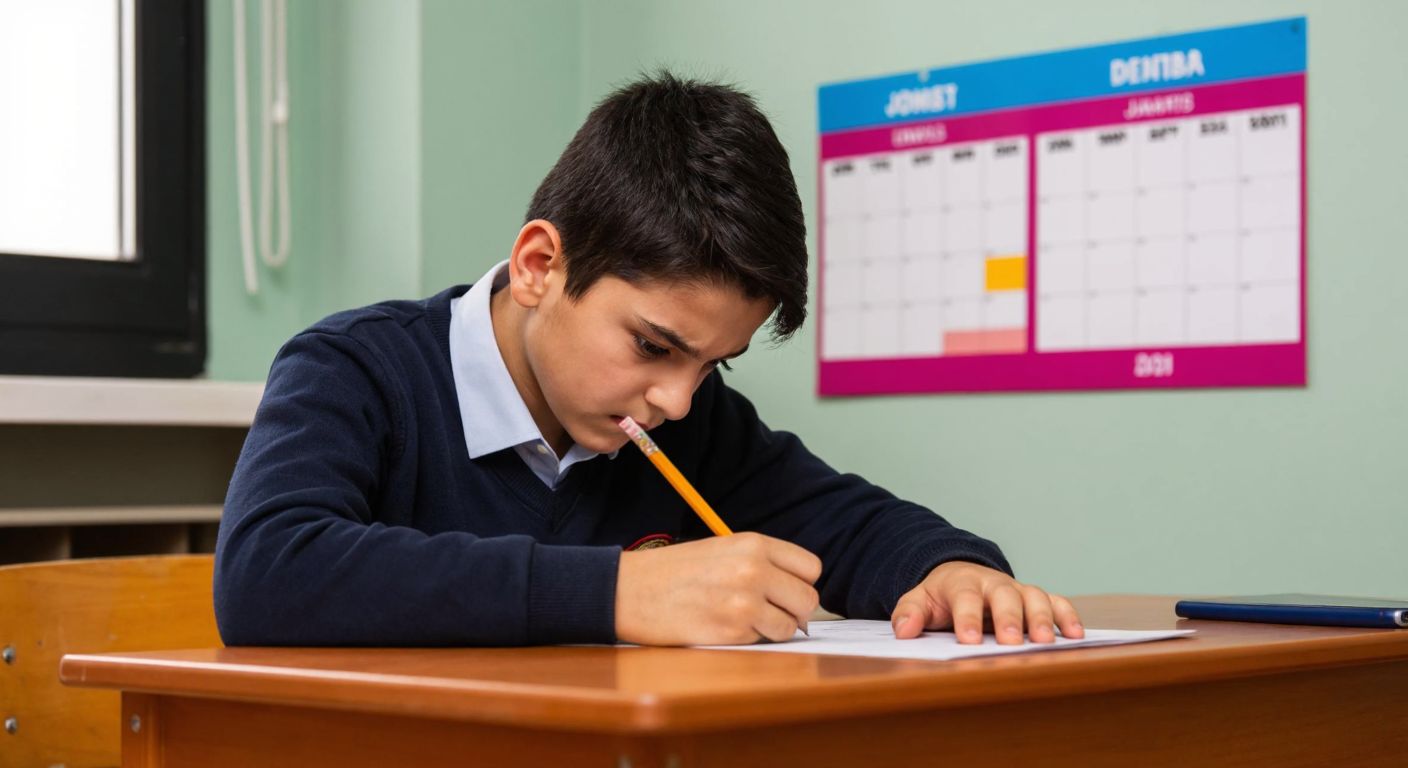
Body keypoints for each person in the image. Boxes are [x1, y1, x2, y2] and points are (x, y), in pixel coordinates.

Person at [214, 73, 1084, 648]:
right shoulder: (358, 371)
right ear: (539, 267)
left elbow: (848, 524)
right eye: (654, 346)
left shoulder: (688, 420)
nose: (676, 397)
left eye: (716, 365)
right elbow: (266, 574)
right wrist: (617, 593)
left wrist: (951, 569)